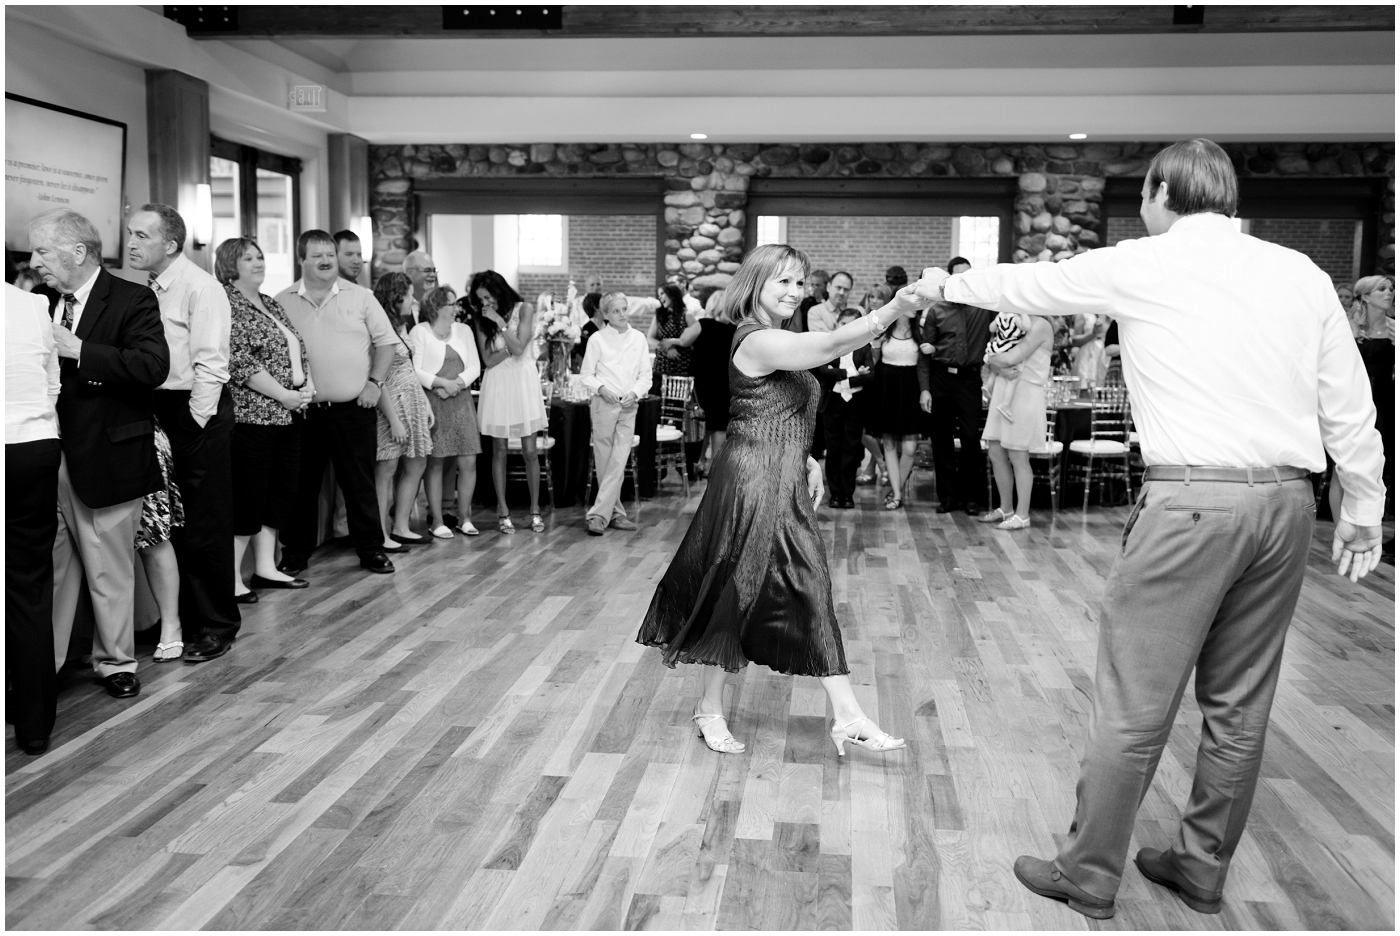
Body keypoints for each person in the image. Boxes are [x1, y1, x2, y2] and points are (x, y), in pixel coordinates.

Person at [914, 138, 1386, 920]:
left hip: (1192, 504)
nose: (1142, 207)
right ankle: (1201, 868)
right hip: (1287, 507)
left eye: (1144, 194)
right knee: (1240, 703)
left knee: (1134, 702)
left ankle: (1089, 872)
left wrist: (942, 283)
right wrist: (1363, 506)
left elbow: (1032, 285)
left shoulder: (1146, 261)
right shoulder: (1300, 273)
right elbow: (1349, 400)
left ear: (1164, 191)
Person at [638, 244, 920, 756]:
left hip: (781, 474)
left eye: (799, 282)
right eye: (783, 282)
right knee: (743, 585)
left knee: (783, 583)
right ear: (756, 285)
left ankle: (841, 714)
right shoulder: (756, 339)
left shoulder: (777, 338)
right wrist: (894, 310)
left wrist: (807, 458)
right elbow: (829, 345)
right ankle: (819, 714)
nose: (794, 292)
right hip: (751, 479)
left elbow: (779, 408)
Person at [34, 209, 170, 701]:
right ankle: (40, 668)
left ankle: (116, 663)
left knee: (109, 566)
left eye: (43, 251)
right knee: (51, 567)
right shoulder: (37, 302)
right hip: (45, 454)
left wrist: (80, 350)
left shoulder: (133, 299)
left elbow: (153, 366)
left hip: (109, 453)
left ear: (77, 252)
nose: (34, 262)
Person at [125, 204, 241, 662]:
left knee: (205, 524)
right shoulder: (148, 289)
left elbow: (212, 363)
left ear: (170, 244)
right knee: (174, 522)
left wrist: (193, 424)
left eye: (140, 236)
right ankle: (183, 620)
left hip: (197, 411)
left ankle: (217, 625)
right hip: (161, 409)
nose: (131, 243)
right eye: (130, 234)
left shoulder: (201, 287)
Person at [276, 230, 399, 575]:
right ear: (301, 259)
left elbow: (387, 344)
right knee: (301, 487)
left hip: (353, 410)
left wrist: (375, 383)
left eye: (329, 254)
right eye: (317, 256)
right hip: (303, 412)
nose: (326, 261)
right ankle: (295, 553)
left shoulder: (362, 297)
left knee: (359, 484)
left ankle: (371, 550)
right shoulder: (281, 301)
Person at [218, 237, 313, 603]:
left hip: (289, 414)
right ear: (230, 263)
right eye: (248, 258)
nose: (258, 262)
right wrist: (284, 394)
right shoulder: (227, 302)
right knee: (249, 496)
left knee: (280, 493)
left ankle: (265, 567)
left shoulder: (270, 302)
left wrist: (306, 386)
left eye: (260, 256)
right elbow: (238, 360)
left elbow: (296, 349)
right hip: (253, 417)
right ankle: (231, 577)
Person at [7, 281, 62, 753]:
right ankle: (34, 724)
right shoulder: (33, 305)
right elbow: (52, 383)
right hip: (34, 446)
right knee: (29, 584)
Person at [917, 256, 995, 515]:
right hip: (940, 379)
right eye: (959, 276)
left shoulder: (984, 307)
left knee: (971, 438)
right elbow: (925, 353)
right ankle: (948, 497)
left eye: (968, 275)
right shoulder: (937, 311)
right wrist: (925, 388)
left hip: (969, 379)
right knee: (941, 440)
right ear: (949, 279)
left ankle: (972, 497)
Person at [471, 270, 547, 534]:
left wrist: (501, 326)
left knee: (529, 451)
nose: (485, 304)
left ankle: (535, 510)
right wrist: (507, 344)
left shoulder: (524, 309)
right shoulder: (481, 319)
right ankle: (503, 511)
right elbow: (488, 360)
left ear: (499, 291)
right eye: (480, 299)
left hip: (523, 381)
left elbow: (520, 348)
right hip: (498, 384)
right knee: (499, 450)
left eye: (488, 297)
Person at [411, 285, 483, 539]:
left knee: (468, 460)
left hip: (461, 399)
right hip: (433, 401)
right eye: (451, 304)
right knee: (436, 461)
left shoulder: (463, 331)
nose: (456, 308)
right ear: (437, 307)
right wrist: (442, 384)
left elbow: (475, 365)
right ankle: (437, 520)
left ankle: (464, 518)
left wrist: (457, 385)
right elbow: (415, 369)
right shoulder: (420, 331)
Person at [579, 292, 651, 535]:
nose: (623, 314)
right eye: (617, 311)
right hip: (603, 405)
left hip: (629, 405)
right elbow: (586, 374)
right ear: (606, 314)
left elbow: (645, 375)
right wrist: (601, 388)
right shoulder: (597, 340)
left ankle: (598, 515)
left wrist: (636, 392)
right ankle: (616, 513)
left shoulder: (639, 338)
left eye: (624, 309)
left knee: (619, 459)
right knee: (605, 460)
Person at [371, 273, 434, 550]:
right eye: (409, 295)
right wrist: (394, 420)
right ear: (396, 297)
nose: (414, 299)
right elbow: (377, 376)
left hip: (412, 400)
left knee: (417, 462)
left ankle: (401, 526)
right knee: (387, 467)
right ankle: (380, 534)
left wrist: (424, 401)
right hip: (389, 405)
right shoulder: (377, 327)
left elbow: (408, 366)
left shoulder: (401, 324)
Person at [978, 313, 1054, 530]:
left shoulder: (1041, 325)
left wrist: (991, 359)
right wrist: (995, 362)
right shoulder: (1012, 319)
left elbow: (1011, 357)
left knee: (1018, 455)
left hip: (1025, 392)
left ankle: (1022, 515)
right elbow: (1000, 355)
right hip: (1004, 388)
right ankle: (1006, 508)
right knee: (995, 450)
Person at [134, 420, 185, 660]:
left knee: (152, 535)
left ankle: (171, 625)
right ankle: (104, 638)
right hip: (80, 442)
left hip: (138, 437)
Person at [816, 307, 876, 508]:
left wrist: (844, 378)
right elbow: (823, 370)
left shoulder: (864, 347)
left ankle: (848, 494)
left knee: (851, 448)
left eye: (852, 324)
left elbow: (870, 377)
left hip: (855, 404)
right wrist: (850, 373)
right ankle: (835, 493)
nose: (847, 328)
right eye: (844, 324)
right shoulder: (829, 344)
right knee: (833, 449)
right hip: (832, 402)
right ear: (837, 324)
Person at [870, 305, 924, 510]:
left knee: (911, 447)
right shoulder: (884, 329)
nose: (915, 308)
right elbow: (875, 360)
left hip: (912, 388)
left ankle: (896, 490)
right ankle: (898, 495)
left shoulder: (921, 331)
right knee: (889, 444)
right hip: (886, 387)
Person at [1351, 275, 1394, 517]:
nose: (1390, 293)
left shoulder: (1394, 327)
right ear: (1365, 296)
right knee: (1347, 466)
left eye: (1391, 289)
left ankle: (1373, 521)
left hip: (1386, 399)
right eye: (1382, 289)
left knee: (1381, 463)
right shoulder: (1350, 325)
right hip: (1356, 396)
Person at [682, 291, 739, 474]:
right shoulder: (735, 330)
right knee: (720, 427)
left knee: (701, 424)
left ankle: (696, 463)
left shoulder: (703, 324)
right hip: (725, 383)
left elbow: (684, 341)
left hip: (702, 384)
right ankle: (715, 470)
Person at [648, 284, 696, 394]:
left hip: (682, 366)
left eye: (662, 293)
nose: (659, 297)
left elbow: (694, 339)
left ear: (672, 294)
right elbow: (650, 338)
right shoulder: (659, 315)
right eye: (658, 295)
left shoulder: (687, 315)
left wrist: (676, 342)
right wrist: (666, 348)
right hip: (661, 365)